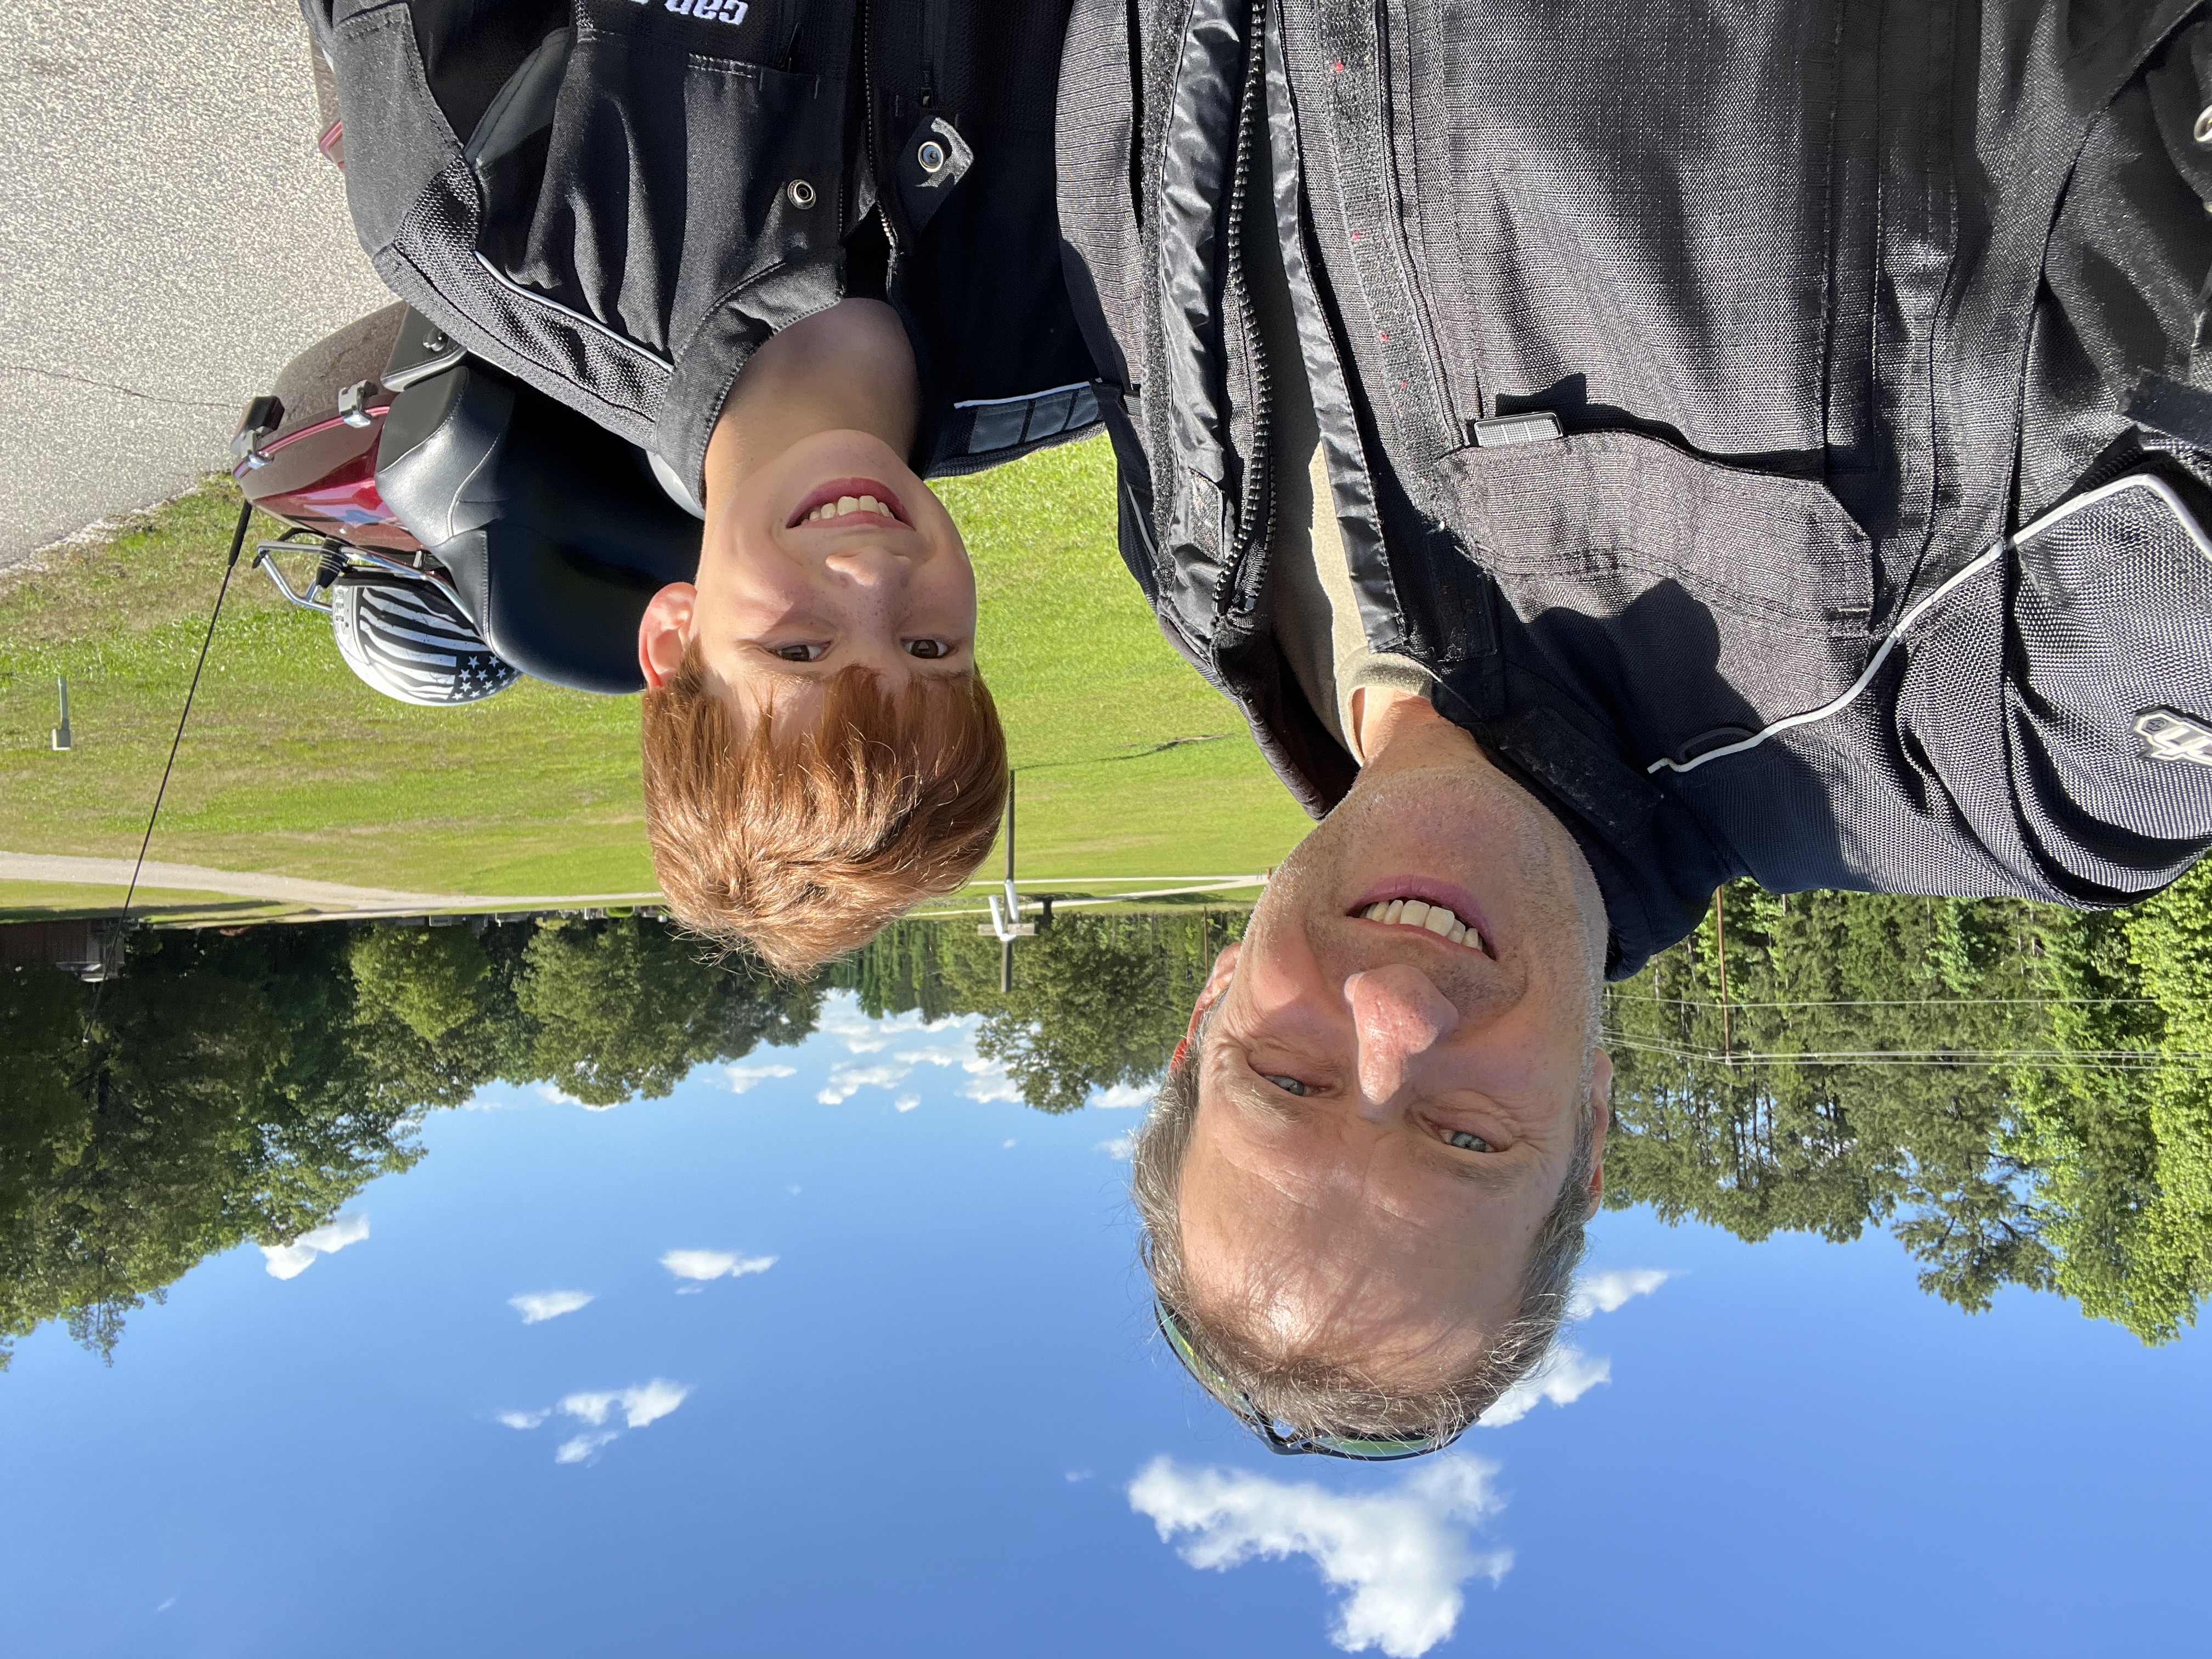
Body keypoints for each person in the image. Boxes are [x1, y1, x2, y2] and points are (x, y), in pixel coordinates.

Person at [1057, 0, 2212, 1451]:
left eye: (1288, 1080)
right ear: (1593, 1128)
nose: (1397, 1019)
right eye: (1465, 1136)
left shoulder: (1189, 560)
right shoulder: (2010, 743)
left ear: (1208, 1017)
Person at [308, 0, 1099, 972]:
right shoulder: (1090, 338)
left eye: (800, 648)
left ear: (672, 637)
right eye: (932, 647)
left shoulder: (486, 217)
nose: (875, 574)